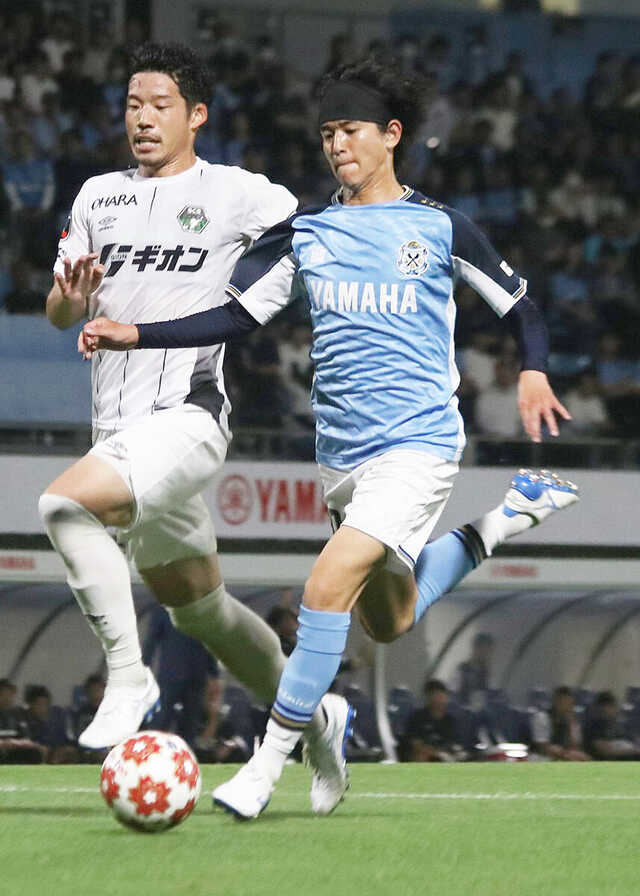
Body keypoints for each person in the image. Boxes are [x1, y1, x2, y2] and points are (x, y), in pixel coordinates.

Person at [80, 57, 579, 818]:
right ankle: (508, 518)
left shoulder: (440, 227)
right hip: (342, 457)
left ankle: (265, 767)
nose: (337, 145)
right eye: (326, 133)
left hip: (419, 446)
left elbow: (522, 308)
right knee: (390, 618)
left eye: (350, 130)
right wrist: (134, 333)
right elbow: (233, 316)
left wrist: (534, 370)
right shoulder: (306, 233)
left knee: (324, 587)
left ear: (392, 135)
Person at [38, 41, 347, 810]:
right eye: (132, 105)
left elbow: (313, 233)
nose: (142, 119)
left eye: (159, 105)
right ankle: (316, 722)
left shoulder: (235, 192)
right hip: (120, 434)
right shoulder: (96, 197)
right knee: (203, 611)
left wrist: (269, 297)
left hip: (188, 417)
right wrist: (71, 295)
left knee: (65, 506)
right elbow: (60, 311)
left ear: (196, 115)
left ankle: (127, 677)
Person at [399, 679, 464, 762]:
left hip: (446, 756)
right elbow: (415, 743)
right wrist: (435, 753)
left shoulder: (451, 720)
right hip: (423, 756)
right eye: (435, 696)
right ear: (428, 697)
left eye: (441, 696)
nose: (439, 700)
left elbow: (454, 744)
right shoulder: (417, 718)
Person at [531, 686, 590, 761]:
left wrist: (571, 724)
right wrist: (565, 754)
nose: (566, 706)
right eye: (563, 702)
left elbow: (576, 745)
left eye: (569, 703)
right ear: (555, 702)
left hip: (565, 754)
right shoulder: (542, 717)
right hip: (542, 756)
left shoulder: (572, 720)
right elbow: (542, 746)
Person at [583, 691, 640, 760]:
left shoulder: (614, 724)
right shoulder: (593, 726)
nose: (615, 710)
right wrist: (634, 750)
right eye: (611, 707)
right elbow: (605, 751)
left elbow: (628, 738)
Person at [453, 632, 494, 706]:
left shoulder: (486, 673)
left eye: (488, 650)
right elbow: (453, 695)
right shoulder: (462, 670)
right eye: (482, 649)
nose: (486, 654)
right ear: (475, 648)